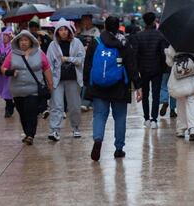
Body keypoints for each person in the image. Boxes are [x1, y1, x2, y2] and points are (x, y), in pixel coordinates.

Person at [83, 16, 142, 161]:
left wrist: (87, 84)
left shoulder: (95, 42)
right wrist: (138, 85)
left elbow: (88, 65)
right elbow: (131, 65)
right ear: (118, 26)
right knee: (120, 117)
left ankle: (98, 140)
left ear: (104, 26)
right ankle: (119, 148)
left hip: (98, 86)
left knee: (99, 115)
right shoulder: (123, 43)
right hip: (120, 86)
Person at [1, 31, 54, 144]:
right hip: (17, 90)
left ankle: (30, 134)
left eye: (26, 40)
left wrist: (50, 84)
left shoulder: (39, 53)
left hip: (33, 89)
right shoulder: (12, 54)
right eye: (21, 40)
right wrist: (11, 72)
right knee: (22, 112)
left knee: (31, 111)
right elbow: (3, 68)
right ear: (17, 42)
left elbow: (46, 68)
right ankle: (27, 132)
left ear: (31, 42)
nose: (23, 42)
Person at [46, 19, 86, 140]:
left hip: (73, 79)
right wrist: (49, 80)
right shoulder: (52, 45)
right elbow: (49, 63)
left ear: (69, 31)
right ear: (57, 32)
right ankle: (55, 130)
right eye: (60, 30)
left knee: (74, 105)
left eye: (65, 30)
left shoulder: (77, 43)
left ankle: (75, 128)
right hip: (57, 79)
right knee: (56, 105)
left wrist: (68, 59)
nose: (63, 32)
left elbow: (81, 59)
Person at [165, 45, 194, 141]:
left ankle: (181, 129)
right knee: (192, 102)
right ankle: (192, 128)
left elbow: (169, 62)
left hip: (179, 77)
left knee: (180, 103)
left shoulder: (174, 44)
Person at [133, 12, 168, 129]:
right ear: (154, 21)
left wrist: (137, 69)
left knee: (145, 94)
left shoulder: (139, 36)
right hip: (157, 69)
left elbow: (136, 54)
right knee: (156, 94)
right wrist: (164, 67)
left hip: (143, 69)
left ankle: (146, 118)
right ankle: (154, 119)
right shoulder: (160, 35)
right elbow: (164, 54)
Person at [0, 27, 16, 117]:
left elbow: (19, 45)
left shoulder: (13, 46)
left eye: (7, 35)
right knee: (3, 91)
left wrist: (14, 37)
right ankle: (11, 105)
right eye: (4, 35)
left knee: (8, 91)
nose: (5, 37)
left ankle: (9, 109)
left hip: (9, 72)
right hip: (0, 72)